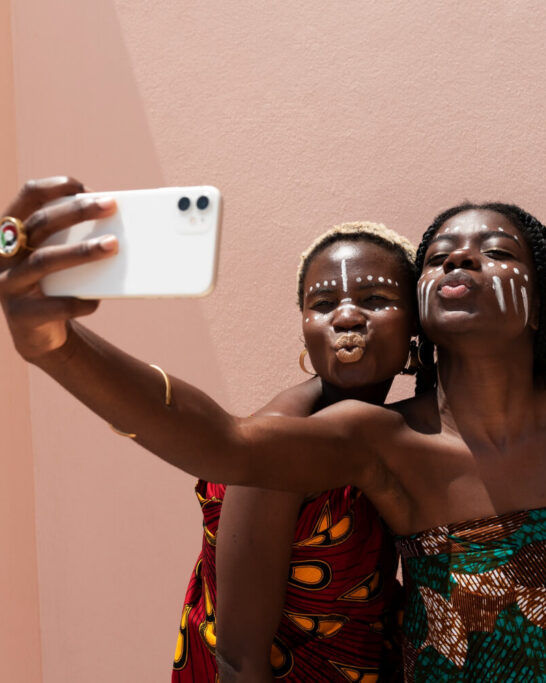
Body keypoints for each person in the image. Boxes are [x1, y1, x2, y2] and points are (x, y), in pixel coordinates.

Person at [0, 179, 546, 682]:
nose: (462, 259)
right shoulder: (383, 441)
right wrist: (56, 347)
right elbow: (223, 442)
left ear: (543, 300)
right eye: (440, 254)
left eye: (497, 251)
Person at [174, 221, 417, 682]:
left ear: (415, 326)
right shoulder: (282, 442)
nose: (346, 318)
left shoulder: (395, 430)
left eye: (374, 300)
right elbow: (239, 658)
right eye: (323, 304)